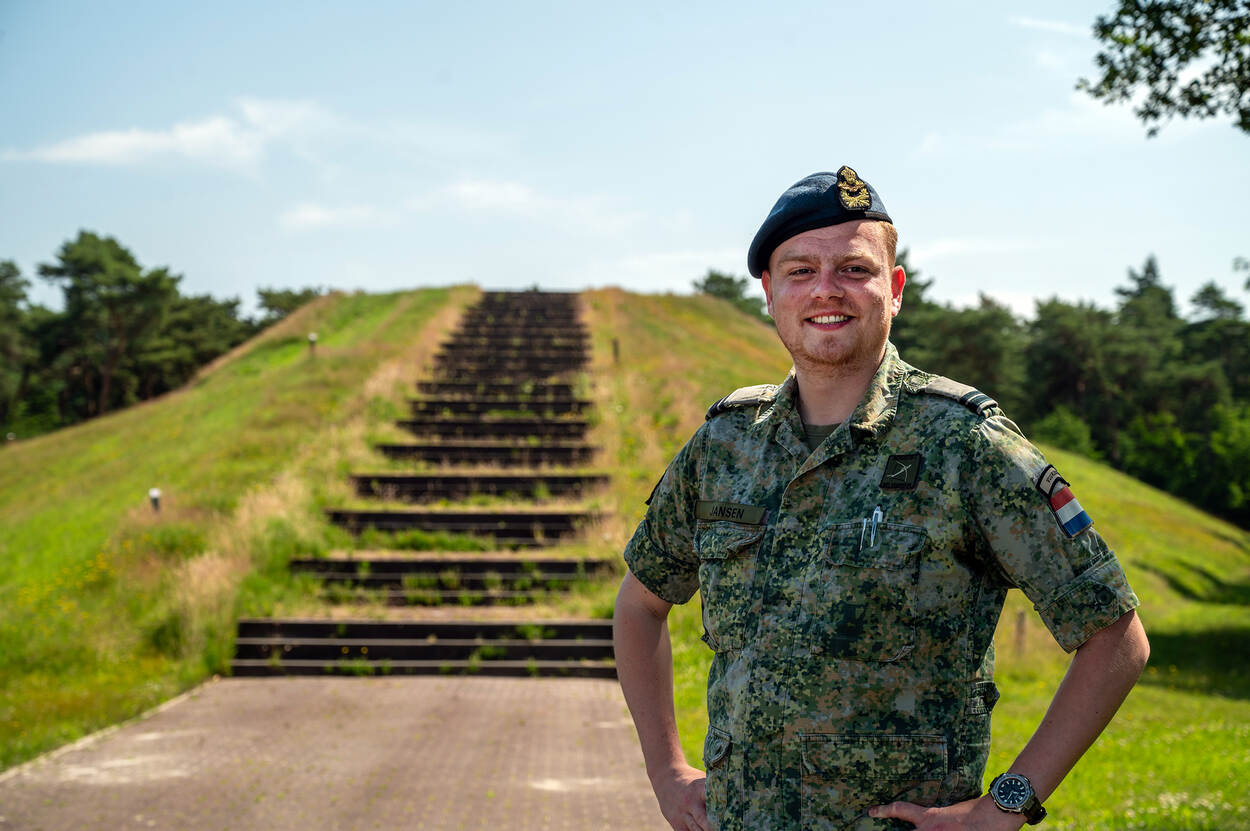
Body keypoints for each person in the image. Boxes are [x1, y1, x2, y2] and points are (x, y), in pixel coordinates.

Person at [612, 167, 1150, 831]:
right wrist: (667, 772)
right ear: (769, 293)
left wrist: (1004, 805)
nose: (826, 289)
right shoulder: (725, 444)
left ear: (893, 290)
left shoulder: (963, 442)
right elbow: (639, 605)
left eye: (854, 268)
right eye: (801, 270)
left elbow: (1115, 636)